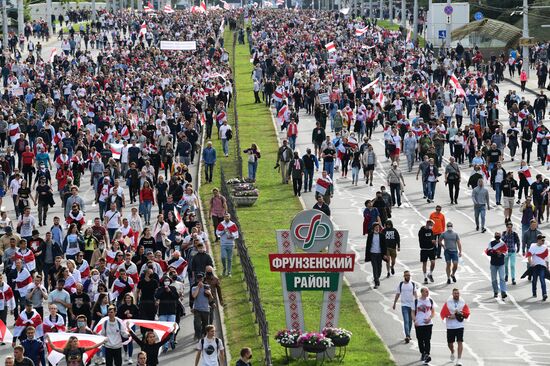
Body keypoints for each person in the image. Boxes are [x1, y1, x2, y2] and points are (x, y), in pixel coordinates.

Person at [440, 289, 471, 366]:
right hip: (450, 326)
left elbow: (467, 313)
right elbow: (443, 313)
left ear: (459, 294)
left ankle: (459, 360)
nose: (456, 295)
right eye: (455, 293)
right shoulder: (448, 303)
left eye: (457, 293)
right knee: (450, 343)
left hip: (460, 326)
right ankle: (452, 351)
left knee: (460, 341)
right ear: (452, 294)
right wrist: (449, 316)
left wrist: (459, 314)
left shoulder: (462, 302)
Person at [392, 271, 417, 344]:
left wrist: (417, 303)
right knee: (406, 320)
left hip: (412, 306)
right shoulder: (401, 284)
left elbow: (415, 294)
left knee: (410, 321)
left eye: (409, 275)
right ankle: (407, 335)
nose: (408, 277)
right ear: (404, 276)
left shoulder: (412, 284)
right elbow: (398, 294)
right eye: (406, 275)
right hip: (404, 305)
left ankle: (408, 334)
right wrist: (394, 303)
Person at [154, 276, 179, 352]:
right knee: (164, 329)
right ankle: (165, 345)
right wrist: (164, 290)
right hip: (162, 312)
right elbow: (157, 296)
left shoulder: (173, 288)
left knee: (171, 328)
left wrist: (169, 291)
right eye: (165, 280)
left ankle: (171, 341)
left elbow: (176, 297)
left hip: (171, 311)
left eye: (168, 280)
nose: (167, 281)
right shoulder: (160, 289)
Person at [412, 287, 435, 365]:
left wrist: (430, 318)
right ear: (421, 292)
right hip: (419, 324)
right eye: (426, 291)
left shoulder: (430, 301)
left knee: (427, 339)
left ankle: (427, 354)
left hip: (428, 324)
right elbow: (412, 312)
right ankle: (422, 352)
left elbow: (433, 312)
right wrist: (415, 321)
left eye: (428, 291)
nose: (427, 293)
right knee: (420, 339)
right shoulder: (416, 301)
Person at [526, 234, 549, 301]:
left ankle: (544, 294)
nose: (543, 241)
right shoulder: (533, 246)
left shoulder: (545, 247)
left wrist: (547, 266)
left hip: (542, 266)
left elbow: (546, 258)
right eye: (542, 240)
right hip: (535, 266)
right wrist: (530, 263)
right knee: (534, 280)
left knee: (542, 279)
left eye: (544, 240)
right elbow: (529, 255)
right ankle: (534, 292)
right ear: (538, 240)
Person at [486, 232, 508, 299]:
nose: (497, 236)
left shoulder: (503, 244)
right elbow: (488, 252)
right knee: (494, 279)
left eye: (498, 235)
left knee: (502, 278)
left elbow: (506, 252)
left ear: (500, 236)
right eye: (496, 235)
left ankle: (503, 292)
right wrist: (495, 253)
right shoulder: (491, 243)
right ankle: (495, 291)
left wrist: (501, 253)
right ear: (494, 236)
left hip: (501, 264)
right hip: (493, 264)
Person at [365, 223, 387, 289]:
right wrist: (367, 255)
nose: (377, 228)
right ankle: (376, 282)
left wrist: (385, 254)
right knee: (374, 268)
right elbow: (368, 245)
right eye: (376, 227)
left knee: (379, 268)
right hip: (372, 253)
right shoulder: (370, 235)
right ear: (373, 228)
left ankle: (377, 277)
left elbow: (384, 246)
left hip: (380, 254)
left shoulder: (382, 235)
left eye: (378, 227)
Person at [418, 220, 437, 284]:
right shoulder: (421, 231)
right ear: (427, 224)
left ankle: (430, 274)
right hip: (424, 249)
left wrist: (434, 242)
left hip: (431, 249)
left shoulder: (431, 231)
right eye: (431, 225)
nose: (432, 227)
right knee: (424, 263)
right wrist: (430, 241)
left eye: (432, 225)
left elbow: (432, 238)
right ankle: (425, 277)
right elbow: (421, 240)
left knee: (433, 262)